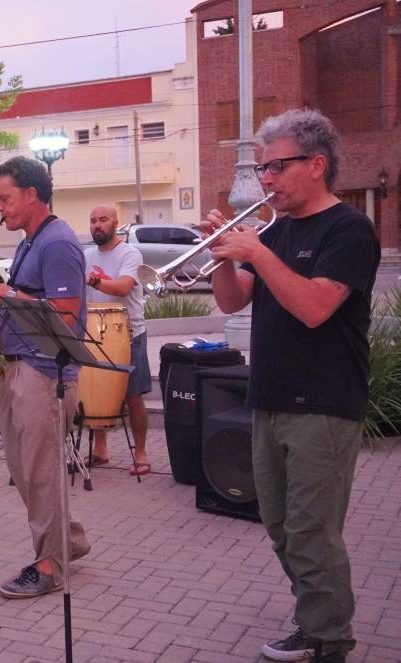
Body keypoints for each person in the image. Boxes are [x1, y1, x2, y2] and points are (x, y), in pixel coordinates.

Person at [201, 108, 379, 663]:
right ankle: (313, 624)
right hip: (270, 398)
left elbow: (314, 308)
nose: (266, 179)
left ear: (317, 164)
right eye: (263, 168)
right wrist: (224, 259)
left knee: (312, 532)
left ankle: (330, 639)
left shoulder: (350, 229)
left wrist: (256, 250)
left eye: (275, 166)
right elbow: (234, 301)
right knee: (281, 528)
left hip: (323, 404)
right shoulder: (276, 229)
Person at [0, 155, 91, 598]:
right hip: (20, 367)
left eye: (5, 198)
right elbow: (28, 303)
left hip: (45, 374)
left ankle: (50, 566)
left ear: (32, 195)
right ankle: (69, 541)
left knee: (40, 474)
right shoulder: (28, 242)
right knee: (26, 471)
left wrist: (5, 293)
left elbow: (68, 318)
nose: (0, 209)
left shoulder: (57, 244)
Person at [84, 204, 151, 475]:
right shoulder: (86, 254)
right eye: (93, 221)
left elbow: (123, 286)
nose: (97, 225)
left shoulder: (130, 253)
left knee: (133, 396)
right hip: (94, 330)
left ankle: (142, 452)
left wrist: (92, 280)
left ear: (115, 223)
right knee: (97, 392)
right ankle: (101, 450)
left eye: (103, 220)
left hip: (127, 331)